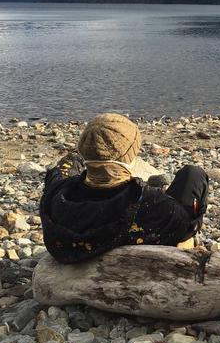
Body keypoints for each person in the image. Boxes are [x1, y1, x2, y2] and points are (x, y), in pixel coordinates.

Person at [40, 113, 209, 263]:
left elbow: (57, 173)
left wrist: (90, 155)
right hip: (136, 240)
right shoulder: (152, 202)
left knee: (71, 161)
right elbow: (183, 222)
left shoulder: (57, 194)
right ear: (131, 152)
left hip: (74, 243)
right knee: (193, 174)